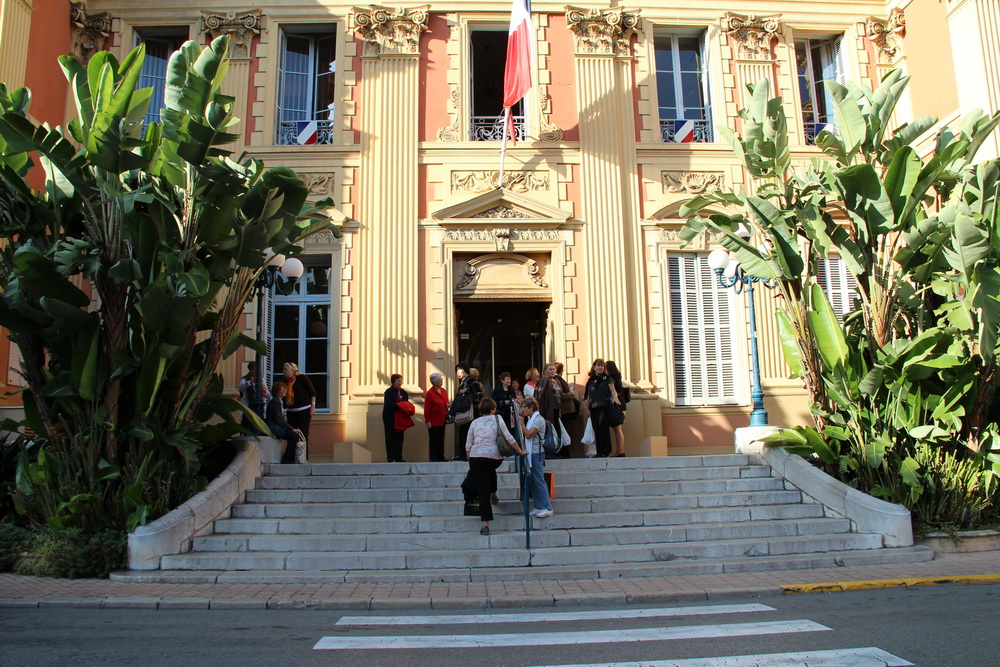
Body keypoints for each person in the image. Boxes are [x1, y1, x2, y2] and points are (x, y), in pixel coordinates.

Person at [463, 397, 526, 535]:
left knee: (482, 488)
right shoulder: (498, 418)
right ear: (492, 409)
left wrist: (470, 460)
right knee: (489, 469)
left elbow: (468, 445)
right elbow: (508, 437)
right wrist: (520, 451)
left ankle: (485, 525)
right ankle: (493, 494)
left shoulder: (475, 422)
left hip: (476, 458)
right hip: (494, 457)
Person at [520, 397, 553, 518]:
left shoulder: (538, 420)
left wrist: (522, 424)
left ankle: (547, 507)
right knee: (533, 481)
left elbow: (529, 434)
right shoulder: (531, 419)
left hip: (537, 453)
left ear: (531, 407)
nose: (523, 409)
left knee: (539, 480)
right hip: (531, 453)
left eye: (524, 407)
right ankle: (539, 506)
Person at [583, 358, 620, 458]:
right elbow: (588, 395)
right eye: (598, 365)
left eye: (602, 366)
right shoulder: (590, 380)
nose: (600, 367)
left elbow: (613, 391)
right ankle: (599, 451)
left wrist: (615, 399)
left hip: (604, 406)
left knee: (603, 428)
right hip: (593, 407)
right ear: (594, 367)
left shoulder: (607, 378)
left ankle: (605, 451)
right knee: (596, 429)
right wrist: (588, 409)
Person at [265, 381, 304, 464]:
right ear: (276, 391)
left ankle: (289, 458)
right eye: (281, 389)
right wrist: (292, 428)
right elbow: (278, 419)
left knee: (294, 435)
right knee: (294, 436)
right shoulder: (275, 402)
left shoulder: (279, 401)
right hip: (274, 429)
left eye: (285, 389)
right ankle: (287, 458)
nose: (284, 391)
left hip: (277, 427)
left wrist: (291, 428)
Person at [452, 363, 484, 461]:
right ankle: (463, 454)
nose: (458, 373)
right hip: (465, 412)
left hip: (472, 412)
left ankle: (467, 454)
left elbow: (479, 394)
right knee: (463, 432)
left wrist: (467, 391)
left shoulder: (471, 381)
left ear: (466, 370)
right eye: (457, 371)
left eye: (460, 370)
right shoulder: (463, 382)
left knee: (467, 432)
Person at [535, 362, 570, 452]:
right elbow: (541, 396)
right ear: (545, 371)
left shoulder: (556, 381)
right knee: (550, 428)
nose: (552, 371)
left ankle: (557, 449)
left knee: (557, 429)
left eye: (553, 369)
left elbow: (560, 394)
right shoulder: (544, 381)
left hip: (557, 409)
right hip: (549, 409)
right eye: (550, 369)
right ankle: (550, 450)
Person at [282, 362, 316, 440]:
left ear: (292, 370)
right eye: (283, 369)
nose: (283, 371)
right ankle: (293, 448)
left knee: (303, 435)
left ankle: (304, 448)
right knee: (292, 435)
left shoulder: (301, 378)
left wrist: (313, 407)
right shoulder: (285, 381)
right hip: (291, 412)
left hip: (303, 411)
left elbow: (312, 393)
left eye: (285, 369)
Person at [382, 374, 409, 462]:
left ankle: (398, 457)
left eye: (401, 380)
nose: (400, 382)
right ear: (393, 382)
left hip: (400, 419)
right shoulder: (389, 392)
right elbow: (389, 404)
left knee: (399, 438)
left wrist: (402, 406)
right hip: (390, 418)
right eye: (398, 380)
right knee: (390, 438)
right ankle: (390, 457)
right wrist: (400, 406)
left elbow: (406, 403)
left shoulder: (404, 393)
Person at [425, 372, 449, 462]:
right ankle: (433, 457)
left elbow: (445, 401)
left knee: (441, 439)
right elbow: (427, 408)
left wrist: (447, 405)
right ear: (434, 382)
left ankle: (441, 456)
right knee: (434, 439)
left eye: (441, 380)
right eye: (439, 380)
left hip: (442, 418)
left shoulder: (443, 391)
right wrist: (428, 420)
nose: (441, 382)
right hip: (433, 420)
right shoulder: (430, 393)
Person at [237, 361, 268, 429]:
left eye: (256, 369)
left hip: (259, 407)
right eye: (253, 369)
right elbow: (240, 387)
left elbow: (267, 393)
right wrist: (250, 382)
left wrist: (264, 389)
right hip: (248, 406)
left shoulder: (261, 379)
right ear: (250, 370)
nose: (254, 371)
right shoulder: (244, 379)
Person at [606, 360, 628, 457]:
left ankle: (620, 451)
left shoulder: (611, 379)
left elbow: (615, 392)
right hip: (621, 405)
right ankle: (620, 451)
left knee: (617, 430)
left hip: (616, 406)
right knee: (618, 430)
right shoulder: (618, 377)